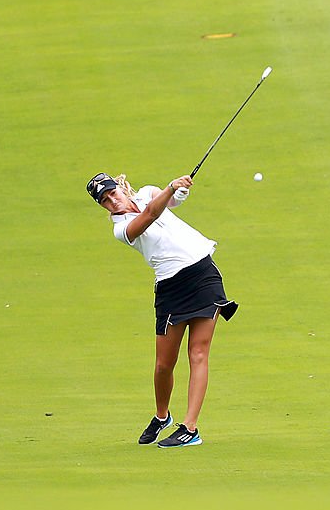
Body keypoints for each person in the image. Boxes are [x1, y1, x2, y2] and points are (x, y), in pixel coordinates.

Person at [86, 172, 238, 448]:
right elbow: (150, 217)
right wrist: (171, 188)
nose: (112, 201)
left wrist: (180, 190)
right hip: (171, 288)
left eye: (112, 194)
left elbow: (172, 203)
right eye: (105, 201)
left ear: (120, 188)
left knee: (199, 353)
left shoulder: (147, 192)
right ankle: (162, 416)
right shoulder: (122, 229)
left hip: (204, 274)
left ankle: (190, 428)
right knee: (164, 365)